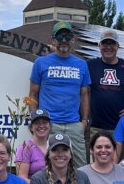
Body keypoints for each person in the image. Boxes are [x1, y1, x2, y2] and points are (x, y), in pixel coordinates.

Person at [28, 21, 91, 168]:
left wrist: (84, 121)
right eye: (59, 36)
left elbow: (84, 95)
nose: (64, 40)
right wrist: (35, 119)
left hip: (74, 124)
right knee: (48, 165)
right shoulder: (41, 63)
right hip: (50, 124)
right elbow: (33, 94)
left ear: (73, 40)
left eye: (67, 37)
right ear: (53, 39)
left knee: (81, 166)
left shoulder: (81, 64)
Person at [14, 108, 51, 182]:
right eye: (37, 123)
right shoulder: (24, 148)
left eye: (45, 122)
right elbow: (21, 179)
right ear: (31, 127)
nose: (41, 126)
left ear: (49, 126)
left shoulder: (54, 145)